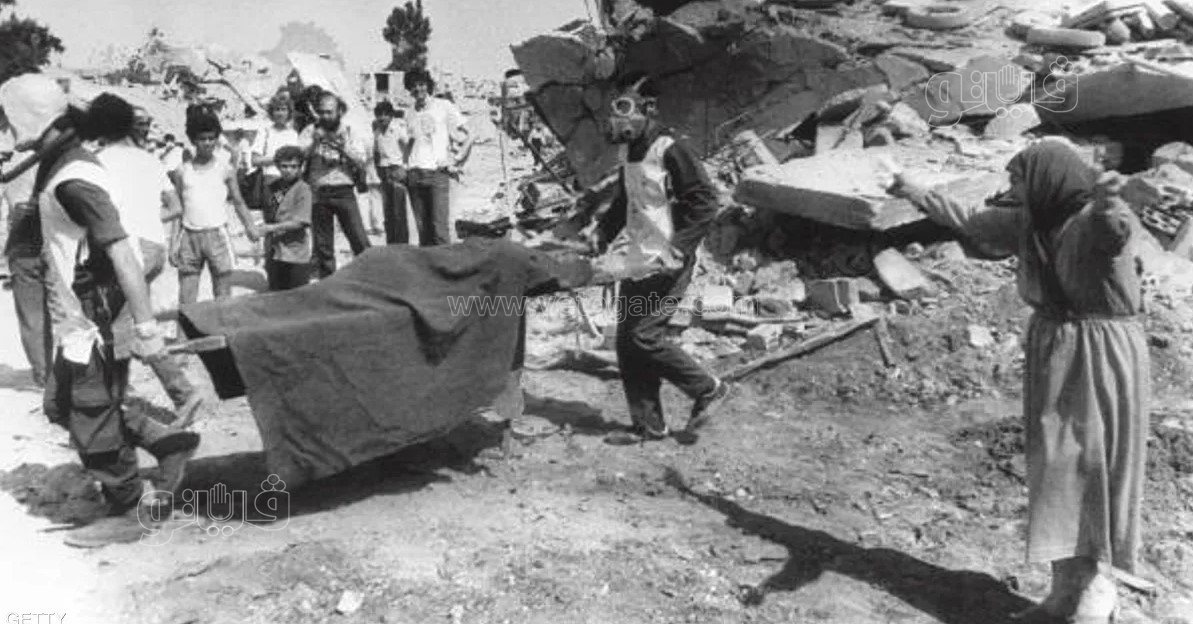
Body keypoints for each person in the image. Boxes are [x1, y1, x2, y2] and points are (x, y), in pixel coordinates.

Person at [891, 139, 1145, 624]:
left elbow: (1113, 234)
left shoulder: (1091, 219)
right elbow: (970, 220)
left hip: (1101, 352)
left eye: (1018, 180)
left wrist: (1111, 199)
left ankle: (1096, 588)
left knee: (1091, 463)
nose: (1012, 190)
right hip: (1057, 349)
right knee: (1055, 467)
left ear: (1047, 180)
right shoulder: (1030, 223)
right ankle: (1064, 589)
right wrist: (912, 189)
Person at [0, 74, 200, 547]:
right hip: (75, 314)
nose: (4, 130)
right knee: (60, 405)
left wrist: (146, 327)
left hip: (92, 317)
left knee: (91, 413)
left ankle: (129, 507)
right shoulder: (57, 162)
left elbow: (123, 253)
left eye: (7, 120)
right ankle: (165, 442)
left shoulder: (73, 179)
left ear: (32, 117)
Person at [593, 73, 729, 446]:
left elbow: (706, 202)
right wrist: (601, 234)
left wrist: (678, 248)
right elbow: (627, 201)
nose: (617, 117)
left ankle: (708, 388)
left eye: (624, 107)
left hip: (669, 259)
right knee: (627, 343)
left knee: (644, 335)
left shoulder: (671, 149)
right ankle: (649, 426)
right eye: (614, 109)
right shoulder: (628, 152)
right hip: (640, 256)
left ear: (648, 110)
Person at [90, 93, 206, 424]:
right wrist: (146, 220)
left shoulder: (97, 162)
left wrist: (127, 225)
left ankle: (181, 392)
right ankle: (118, 397)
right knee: (123, 323)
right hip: (153, 246)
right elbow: (175, 207)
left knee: (125, 328)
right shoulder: (149, 160)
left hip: (127, 250)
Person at [171, 106, 259, 305]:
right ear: (193, 140)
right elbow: (178, 208)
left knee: (222, 292)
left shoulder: (225, 169)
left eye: (212, 138)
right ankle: (187, 326)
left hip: (218, 235)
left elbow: (238, 201)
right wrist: (173, 244)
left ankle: (222, 324)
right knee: (186, 295)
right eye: (202, 139)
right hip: (189, 236)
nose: (208, 143)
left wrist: (250, 226)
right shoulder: (182, 171)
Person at [298, 91, 371, 277]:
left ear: (340, 111)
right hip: (319, 191)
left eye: (329, 112)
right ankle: (328, 280)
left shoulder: (350, 131)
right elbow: (298, 158)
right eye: (322, 112)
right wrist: (314, 143)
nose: (325, 116)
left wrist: (343, 147)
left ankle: (369, 276)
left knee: (358, 238)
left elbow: (362, 161)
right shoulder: (310, 131)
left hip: (344, 190)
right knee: (323, 244)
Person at [403, 69, 472, 247]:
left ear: (428, 85)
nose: (418, 89)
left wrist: (456, 159)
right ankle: (428, 265)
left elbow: (470, 134)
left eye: (421, 84)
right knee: (423, 232)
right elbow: (410, 143)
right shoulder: (409, 113)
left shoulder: (443, 106)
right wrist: (405, 166)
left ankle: (446, 264)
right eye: (413, 86)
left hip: (437, 174)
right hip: (414, 174)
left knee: (440, 230)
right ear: (409, 89)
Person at [1, 154, 49, 386]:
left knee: (32, 316)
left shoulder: (11, 167)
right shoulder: (54, 157)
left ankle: (44, 375)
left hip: (22, 243)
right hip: (54, 239)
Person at [259, 146, 312, 291]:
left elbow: (301, 222)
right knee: (275, 293)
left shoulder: (303, 189)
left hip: (295, 253)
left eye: (294, 166)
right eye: (284, 166)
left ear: (300, 167)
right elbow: (269, 213)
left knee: (297, 296)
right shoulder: (273, 187)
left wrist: (271, 228)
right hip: (274, 250)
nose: (289, 170)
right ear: (277, 167)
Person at [373, 100, 410, 244]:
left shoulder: (398, 129)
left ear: (391, 116)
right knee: (388, 212)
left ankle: (402, 245)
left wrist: (404, 166)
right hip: (384, 171)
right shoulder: (377, 131)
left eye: (385, 114)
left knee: (399, 212)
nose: (382, 118)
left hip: (396, 170)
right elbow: (377, 152)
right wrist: (378, 170)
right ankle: (391, 244)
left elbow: (409, 146)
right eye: (379, 115)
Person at [249, 94, 300, 187]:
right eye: (277, 109)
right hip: (270, 179)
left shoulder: (293, 134)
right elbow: (255, 160)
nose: (280, 113)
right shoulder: (264, 132)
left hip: (289, 181)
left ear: (289, 113)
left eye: (283, 109)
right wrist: (280, 158)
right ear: (272, 112)